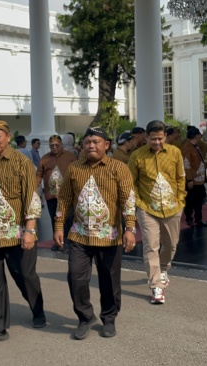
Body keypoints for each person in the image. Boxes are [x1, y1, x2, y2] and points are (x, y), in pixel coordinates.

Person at [54, 127, 136, 340]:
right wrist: (58, 226)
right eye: (88, 141)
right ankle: (84, 317)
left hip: (110, 237)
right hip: (79, 236)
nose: (91, 145)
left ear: (106, 145)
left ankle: (109, 318)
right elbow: (63, 199)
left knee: (110, 281)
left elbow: (128, 199)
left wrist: (129, 229)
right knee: (75, 278)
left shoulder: (119, 168)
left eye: (96, 141)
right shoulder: (74, 168)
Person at [0, 120, 45, 347]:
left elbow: (31, 199)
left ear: (8, 137)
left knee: (25, 275)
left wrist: (30, 231)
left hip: (17, 234)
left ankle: (37, 309)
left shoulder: (22, 162)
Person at [128, 120, 185, 304]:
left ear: (165, 137)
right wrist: (138, 203)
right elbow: (131, 183)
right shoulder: (137, 156)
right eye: (153, 139)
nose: (157, 142)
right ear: (146, 137)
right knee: (150, 246)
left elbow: (180, 178)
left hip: (172, 207)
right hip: (147, 208)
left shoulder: (175, 152)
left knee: (171, 245)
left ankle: (163, 268)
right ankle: (156, 286)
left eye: (160, 139)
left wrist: (181, 200)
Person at [36, 134, 77, 251]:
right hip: (51, 196)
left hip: (67, 195)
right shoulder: (44, 159)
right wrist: (35, 191)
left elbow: (77, 172)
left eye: (56, 145)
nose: (54, 147)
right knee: (54, 218)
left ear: (61, 145)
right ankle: (57, 242)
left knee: (68, 219)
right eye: (52, 145)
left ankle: (68, 242)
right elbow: (38, 175)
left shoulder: (70, 157)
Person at [180, 127, 207, 227]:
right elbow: (186, 165)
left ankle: (198, 218)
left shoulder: (195, 146)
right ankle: (189, 218)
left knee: (199, 201)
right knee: (190, 200)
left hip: (199, 180)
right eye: (199, 134)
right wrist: (189, 179)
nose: (201, 136)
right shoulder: (187, 148)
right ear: (196, 136)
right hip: (193, 180)